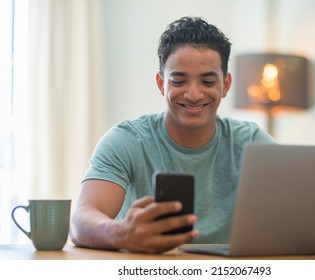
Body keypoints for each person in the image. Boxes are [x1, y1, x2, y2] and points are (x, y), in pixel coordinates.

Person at [70, 16, 275, 254]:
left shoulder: (250, 141)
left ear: (226, 85)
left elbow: (296, 206)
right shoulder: (126, 140)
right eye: (179, 81)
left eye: (208, 81)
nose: (194, 94)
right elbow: (80, 221)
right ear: (161, 84)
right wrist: (122, 233)